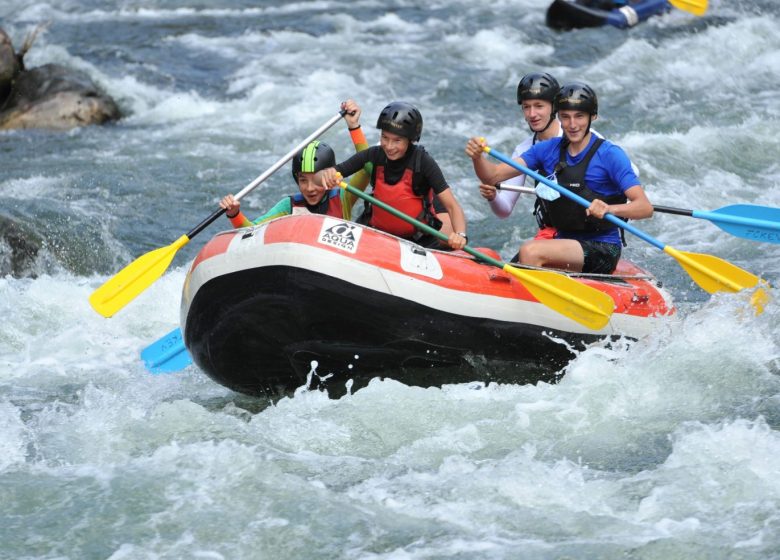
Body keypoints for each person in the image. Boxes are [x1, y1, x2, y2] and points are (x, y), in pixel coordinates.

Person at [465, 82, 653, 274]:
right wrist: (478, 157)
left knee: (530, 251)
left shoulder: (610, 154)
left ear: (592, 117)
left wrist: (610, 208)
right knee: (505, 271)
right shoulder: (546, 149)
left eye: (579, 116)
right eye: (565, 117)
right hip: (562, 241)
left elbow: (645, 207)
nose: (572, 125)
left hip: (602, 248)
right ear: (558, 117)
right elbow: (493, 175)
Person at [317, 101, 468, 251]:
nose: (389, 146)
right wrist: (329, 174)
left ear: (410, 140)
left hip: (417, 241)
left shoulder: (423, 162)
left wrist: (461, 234)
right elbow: (337, 170)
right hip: (377, 232)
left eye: (397, 140)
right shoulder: (375, 154)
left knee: (447, 241)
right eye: (385, 137)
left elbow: (452, 206)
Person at [219, 99, 370, 227]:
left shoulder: (344, 198)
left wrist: (353, 126)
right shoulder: (288, 205)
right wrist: (234, 214)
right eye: (303, 180)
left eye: (316, 180)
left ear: (330, 177)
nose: (310, 188)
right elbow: (251, 230)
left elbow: (367, 168)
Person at [478, 72, 562, 240]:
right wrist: (494, 198)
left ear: (554, 107)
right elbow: (504, 210)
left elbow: (629, 184)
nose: (531, 114)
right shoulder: (523, 150)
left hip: (587, 231)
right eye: (526, 106)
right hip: (553, 233)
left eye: (539, 106)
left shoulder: (584, 139)